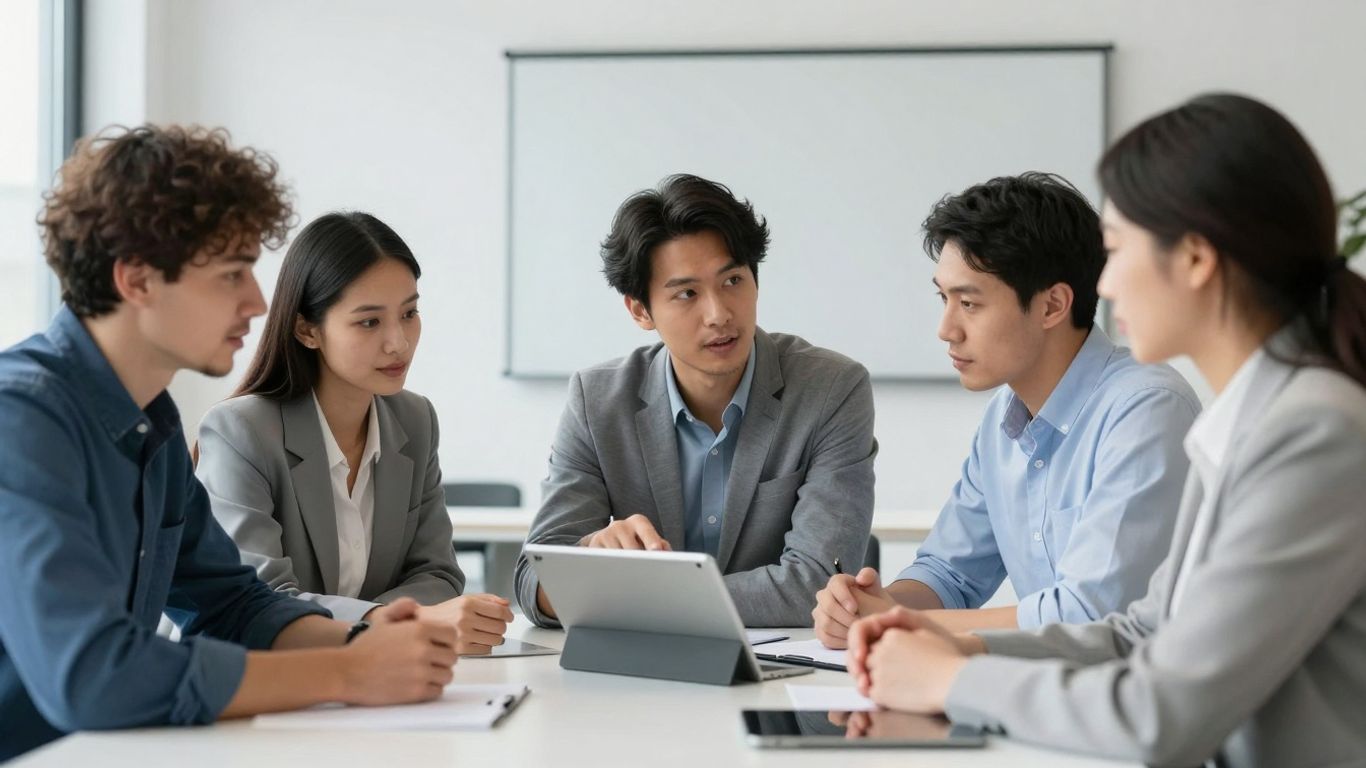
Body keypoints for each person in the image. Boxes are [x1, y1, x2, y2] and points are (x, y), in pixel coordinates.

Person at [848, 94, 1366, 767]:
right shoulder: (1252, 419)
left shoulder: (1313, 432)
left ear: (1197, 259)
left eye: (1116, 251)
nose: (1108, 286)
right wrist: (958, 646)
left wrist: (952, 679)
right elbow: (1140, 632)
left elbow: (1162, 714)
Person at [0, 126, 458, 762]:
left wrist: (365, 641)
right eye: (230, 274)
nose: (257, 300)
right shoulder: (20, 418)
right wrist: (346, 674)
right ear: (137, 280)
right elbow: (93, 674)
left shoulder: (150, 424)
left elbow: (234, 605)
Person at [814, 172, 1199, 645]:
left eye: (969, 304)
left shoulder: (1147, 410)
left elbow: (1088, 614)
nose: (946, 329)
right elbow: (948, 574)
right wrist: (870, 607)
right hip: (1044, 698)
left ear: (1053, 305)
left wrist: (900, 624)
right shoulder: (1004, 417)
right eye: (943, 298)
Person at [514, 173, 878, 627]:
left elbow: (818, 584)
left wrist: (626, 594)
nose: (719, 314)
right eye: (687, 293)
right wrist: (591, 552)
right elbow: (534, 579)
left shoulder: (831, 389)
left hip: (784, 678)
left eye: (732, 281)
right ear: (640, 310)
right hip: (642, 678)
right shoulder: (598, 400)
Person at [196, 211, 513, 655]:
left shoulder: (415, 420)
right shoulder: (242, 431)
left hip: (369, 681)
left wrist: (383, 630)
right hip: (256, 683)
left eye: (409, 313)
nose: (398, 342)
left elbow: (438, 574)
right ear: (307, 330)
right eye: (369, 322)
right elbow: (256, 601)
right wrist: (386, 623)